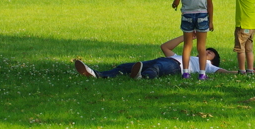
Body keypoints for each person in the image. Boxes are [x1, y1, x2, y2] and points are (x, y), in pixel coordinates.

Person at [73, 36, 230, 79]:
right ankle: (97, 74)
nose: (205, 52)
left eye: (209, 53)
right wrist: (187, 37)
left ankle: (142, 77)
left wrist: (244, 72)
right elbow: (165, 47)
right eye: (205, 50)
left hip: (177, 67)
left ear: (211, 60)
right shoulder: (183, 55)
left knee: (157, 68)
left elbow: (224, 72)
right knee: (125, 66)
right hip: (169, 60)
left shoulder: (207, 66)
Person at [172, 0, 216, 80]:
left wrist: (174, 5)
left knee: (187, 46)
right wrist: (211, 21)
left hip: (187, 16)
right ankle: (202, 74)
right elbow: (210, 5)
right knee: (201, 47)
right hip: (202, 16)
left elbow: (176, 1)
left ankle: (185, 73)